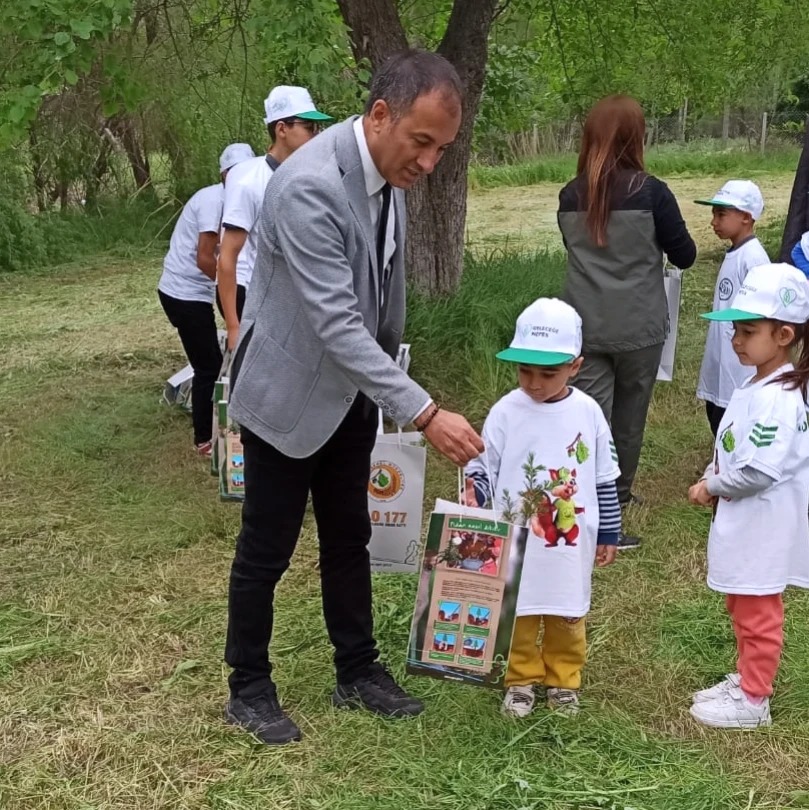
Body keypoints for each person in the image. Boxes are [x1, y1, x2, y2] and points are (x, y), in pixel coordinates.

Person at [223, 50, 484, 746]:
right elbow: (335, 321)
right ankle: (247, 686)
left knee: (350, 538)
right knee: (265, 550)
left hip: (349, 396)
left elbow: (381, 295)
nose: (428, 163)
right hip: (286, 395)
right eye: (420, 142)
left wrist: (388, 380)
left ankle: (357, 670)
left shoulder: (388, 175)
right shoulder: (309, 186)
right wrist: (423, 410)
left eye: (441, 148)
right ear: (378, 115)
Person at [463, 298, 621, 718]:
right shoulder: (505, 412)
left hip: (569, 544)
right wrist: (476, 505)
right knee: (519, 610)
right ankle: (520, 680)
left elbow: (604, 476)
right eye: (524, 371)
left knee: (567, 612)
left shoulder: (587, 413)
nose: (534, 383)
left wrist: (609, 532)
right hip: (517, 539)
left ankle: (563, 680)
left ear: (575, 366)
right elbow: (482, 467)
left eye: (547, 373)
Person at [557, 95, 697, 549]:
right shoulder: (652, 192)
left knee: (587, 418)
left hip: (586, 326)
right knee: (628, 421)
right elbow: (685, 255)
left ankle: (581, 504)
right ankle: (615, 502)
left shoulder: (569, 195)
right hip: (639, 326)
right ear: (636, 137)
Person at [688, 263, 809, 729]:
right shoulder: (757, 384)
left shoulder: (778, 398)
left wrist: (710, 486)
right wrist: (713, 468)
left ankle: (755, 701)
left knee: (758, 611)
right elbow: (736, 447)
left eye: (748, 330)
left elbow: (759, 470)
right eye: (735, 329)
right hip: (747, 523)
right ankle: (745, 677)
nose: (736, 340)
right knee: (742, 603)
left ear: (783, 334)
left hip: (764, 527)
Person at [158, 142, 255, 455]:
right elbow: (204, 257)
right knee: (208, 366)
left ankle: (227, 425)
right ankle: (204, 439)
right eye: (236, 173)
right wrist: (227, 289)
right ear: (225, 175)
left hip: (195, 291)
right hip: (183, 293)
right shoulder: (214, 200)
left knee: (214, 358)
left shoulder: (239, 199)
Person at [217, 86, 333, 350]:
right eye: (309, 126)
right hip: (254, 294)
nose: (316, 135)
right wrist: (234, 327)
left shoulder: (311, 175)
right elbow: (227, 256)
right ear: (282, 129)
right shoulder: (248, 179)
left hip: (294, 294)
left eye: (318, 128)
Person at [694, 180, 769, 436]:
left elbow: (761, 315)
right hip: (721, 359)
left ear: (747, 217)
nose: (714, 222)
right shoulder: (735, 253)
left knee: (733, 424)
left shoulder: (754, 258)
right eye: (714, 214)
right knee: (716, 415)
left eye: (721, 214)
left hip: (737, 368)